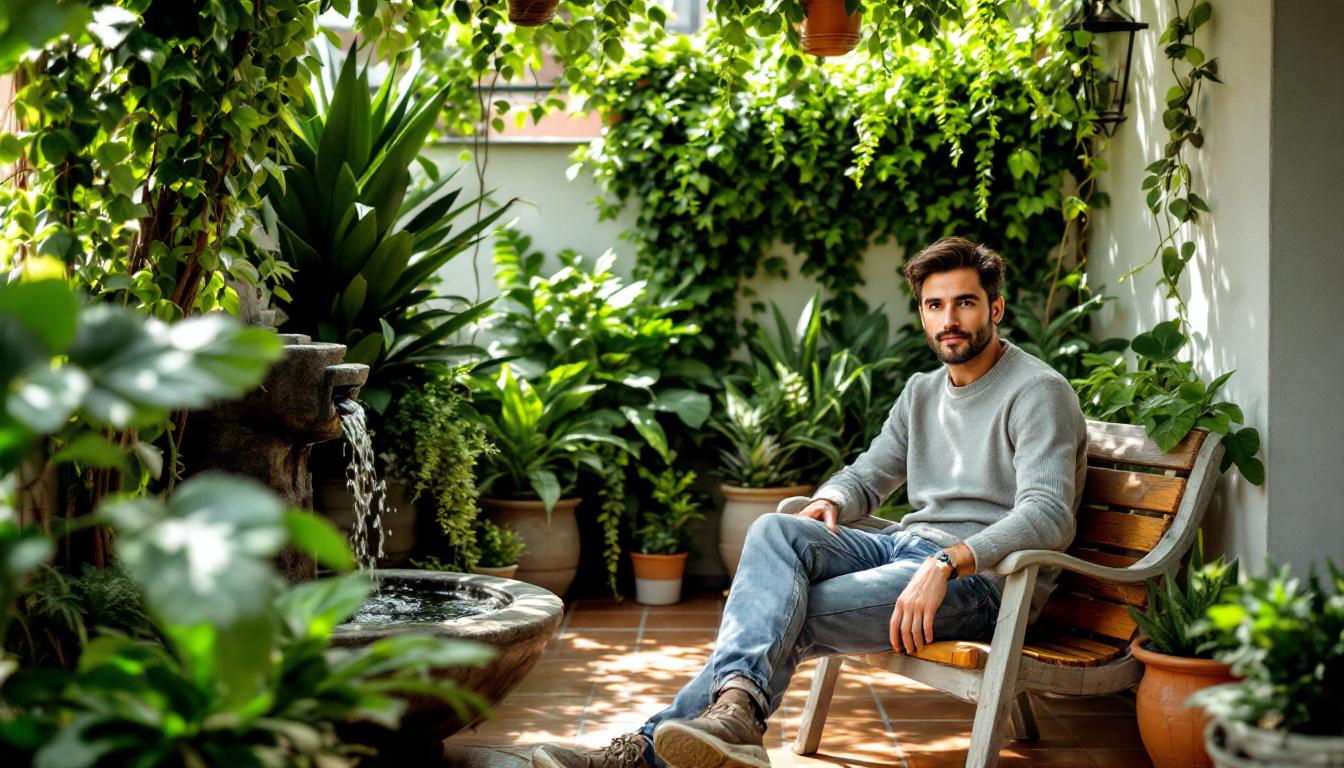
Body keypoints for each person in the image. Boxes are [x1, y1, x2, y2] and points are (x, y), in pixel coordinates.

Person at [530, 237, 1089, 768]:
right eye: (934, 305)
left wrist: (948, 562)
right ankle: (733, 720)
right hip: (904, 551)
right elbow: (871, 471)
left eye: (964, 303)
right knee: (776, 530)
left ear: (995, 307)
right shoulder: (923, 391)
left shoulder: (1038, 392)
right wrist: (831, 498)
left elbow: (1047, 514)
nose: (949, 320)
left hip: (984, 585)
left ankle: (651, 749)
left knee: (776, 610)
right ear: (921, 313)